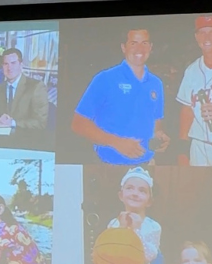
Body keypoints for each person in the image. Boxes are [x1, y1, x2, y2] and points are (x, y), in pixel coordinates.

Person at [71, 29, 170, 165]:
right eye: (133, 43)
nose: (140, 49)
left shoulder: (156, 83)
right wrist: (116, 142)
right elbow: (78, 123)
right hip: (109, 165)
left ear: (150, 47)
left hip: (147, 163)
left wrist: (159, 135)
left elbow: (156, 121)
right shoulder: (105, 78)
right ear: (124, 47)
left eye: (144, 43)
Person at [80, 166, 164, 264]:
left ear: (149, 201)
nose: (135, 193)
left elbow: (147, 256)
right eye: (130, 188)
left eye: (142, 190)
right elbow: (108, 252)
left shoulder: (152, 226)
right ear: (121, 195)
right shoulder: (114, 223)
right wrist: (122, 227)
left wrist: (135, 229)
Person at [176, 16, 212, 166]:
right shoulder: (191, 71)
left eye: (211, 32)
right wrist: (182, 150)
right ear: (196, 37)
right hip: (198, 147)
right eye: (202, 33)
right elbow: (187, 110)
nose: (207, 38)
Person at [0, 47, 49, 130]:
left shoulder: (36, 87)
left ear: (21, 65)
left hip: (25, 137)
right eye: (6, 64)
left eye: (13, 63)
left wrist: (12, 123)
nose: (9, 68)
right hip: (1, 137)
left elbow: (40, 123)